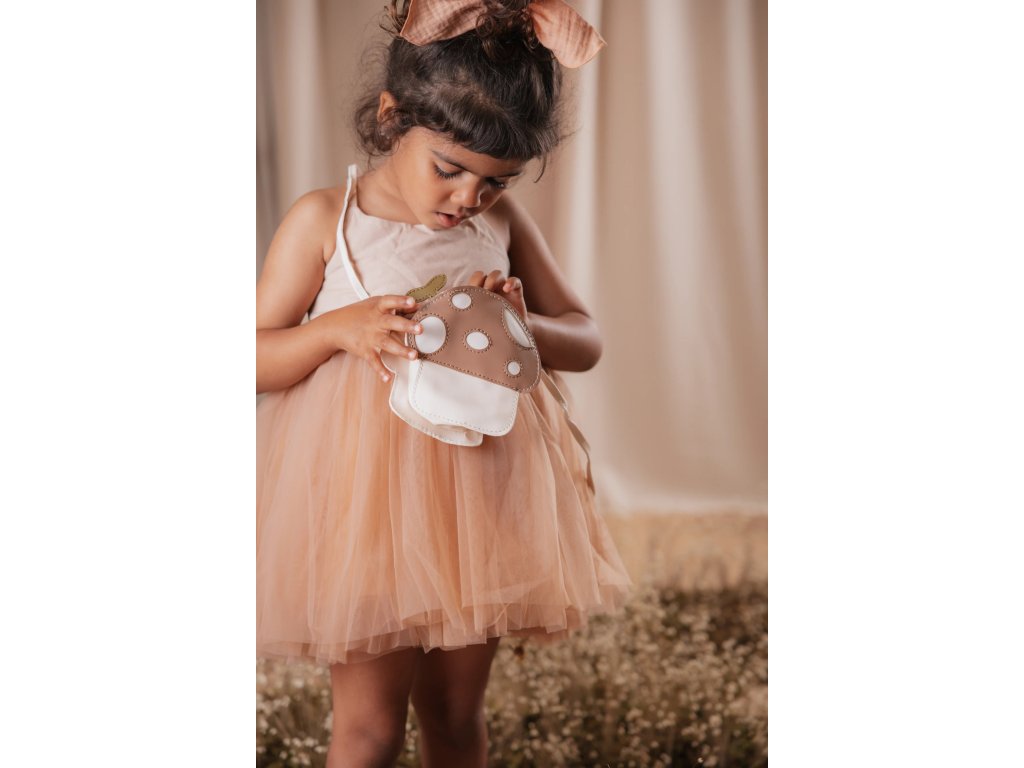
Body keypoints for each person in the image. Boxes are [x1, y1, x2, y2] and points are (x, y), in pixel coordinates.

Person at [256, 1, 633, 765]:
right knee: (369, 728)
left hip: (478, 501)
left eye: (495, 182)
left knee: (456, 714)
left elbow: (585, 339)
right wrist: (335, 330)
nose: (467, 199)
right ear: (391, 116)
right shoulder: (327, 221)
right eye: (449, 169)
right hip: (360, 508)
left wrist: (524, 326)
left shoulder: (500, 225)